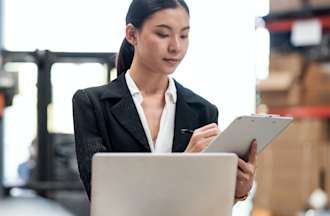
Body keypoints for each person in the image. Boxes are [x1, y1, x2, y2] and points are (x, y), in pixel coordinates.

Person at [72, 0, 256, 202]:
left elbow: (204, 202)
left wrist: (236, 192)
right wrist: (183, 166)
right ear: (132, 34)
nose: (176, 46)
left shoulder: (203, 111)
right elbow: (104, 195)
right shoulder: (92, 105)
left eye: (184, 35)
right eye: (163, 34)